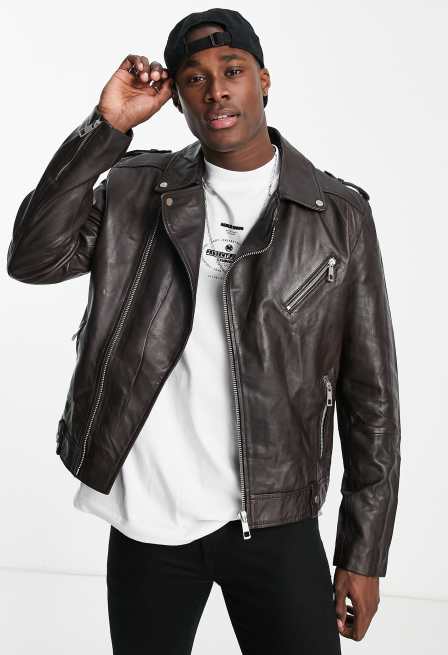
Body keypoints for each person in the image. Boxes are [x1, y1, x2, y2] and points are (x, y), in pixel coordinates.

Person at [6, 7, 401, 654]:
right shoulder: (134, 190)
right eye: (194, 78)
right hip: (149, 517)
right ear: (177, 98)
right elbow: (33, 258)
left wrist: (364, 549)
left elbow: (372, 394)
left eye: (232, 71)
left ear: (263, 80)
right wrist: (107, 127)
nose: (215, 90)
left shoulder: (336, 215)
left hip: (273, 513)